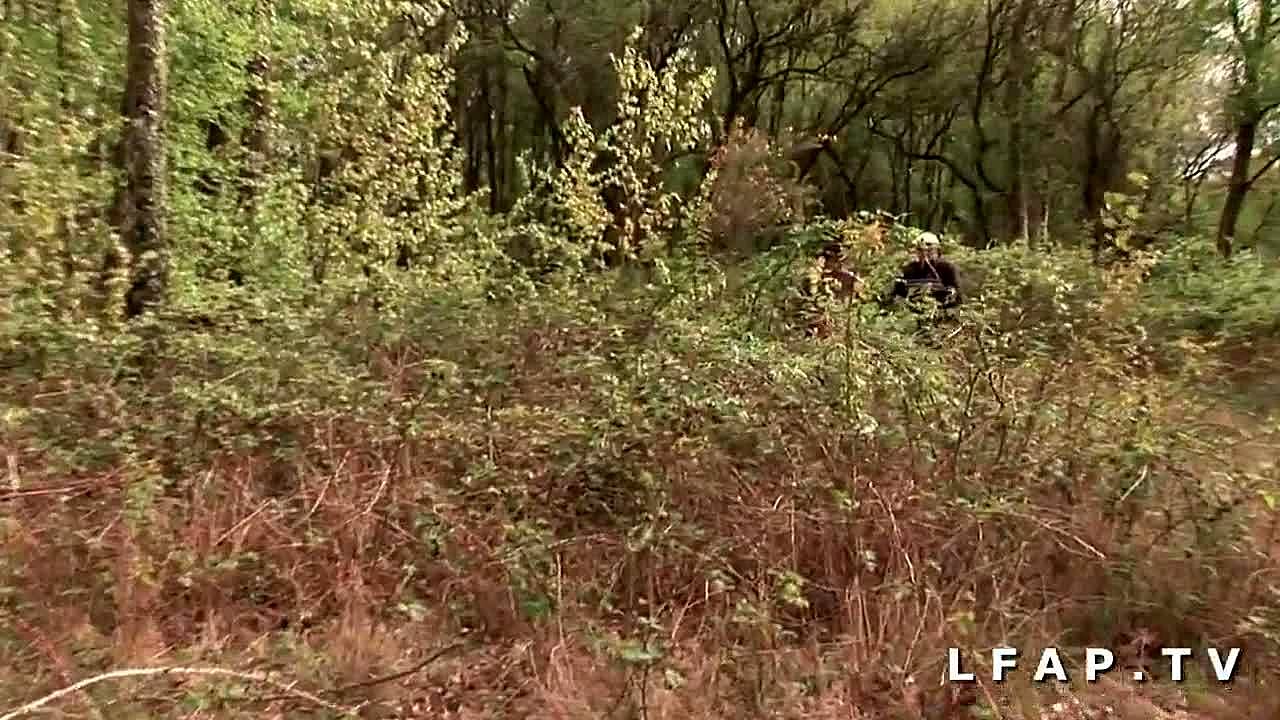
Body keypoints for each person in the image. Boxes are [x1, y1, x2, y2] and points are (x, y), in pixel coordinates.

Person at [885, 231, 961, 313]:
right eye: (920, 250)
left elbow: (957, 294)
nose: (924, 254)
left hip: (940, 311)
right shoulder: (909, 269)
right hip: (912, 311)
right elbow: (897, 293)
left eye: (929, 250)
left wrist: (947, 295)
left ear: (937, 251)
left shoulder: (947, 268)